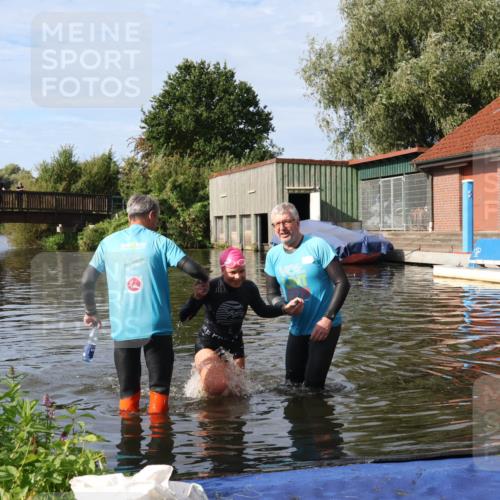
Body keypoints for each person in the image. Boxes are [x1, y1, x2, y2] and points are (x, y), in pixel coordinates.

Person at [82, 194, 208, 416]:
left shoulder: (107, 243)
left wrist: (91, 312)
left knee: (127, 393)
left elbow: (87, 280)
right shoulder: (160, 242)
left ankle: (129, 444)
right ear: (151, 215)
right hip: (156, 328)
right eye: (156, 218)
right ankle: (160, 440)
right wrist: (204, 278)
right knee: (159, 393)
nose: (156, 222)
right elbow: (193, 269)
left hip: (123, 329)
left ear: (130, 215)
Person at [180, 246, 303, 396]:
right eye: (233, 272)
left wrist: (284, 309)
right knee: (217, 386)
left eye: (242, 271)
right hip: (208, 342)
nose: (238, 277)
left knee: (237, 393)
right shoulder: (210, 287)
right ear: (223, 270)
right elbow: (184, 317)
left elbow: (262, 310)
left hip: (235, 344)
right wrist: (196, 298)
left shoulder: (249, 287)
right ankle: (204, 389)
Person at [265, 202, 350, 389]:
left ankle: (318, 418)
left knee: (313, 387)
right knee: (291, 386)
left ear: (297, 223)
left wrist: (327, 319)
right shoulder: (273, 255)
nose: (282, 228)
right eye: (277, 224)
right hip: (297, 327)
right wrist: (283, 307)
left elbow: (342, 283)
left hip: (324, 327)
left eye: (286, 222)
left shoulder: (317, 245)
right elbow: (271, 292)